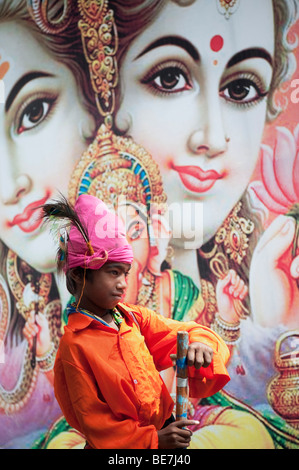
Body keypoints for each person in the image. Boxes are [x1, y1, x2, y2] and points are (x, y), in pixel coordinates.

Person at [42, 193, 230, 449]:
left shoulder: (132, 318)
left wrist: (198, 344)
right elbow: (96, 422)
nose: (122, 283)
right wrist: (153, 441)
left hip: (164, 430)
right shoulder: (74, 347)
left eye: (125, 273)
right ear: (79, 274)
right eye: (113, 272)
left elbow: (183, 332)